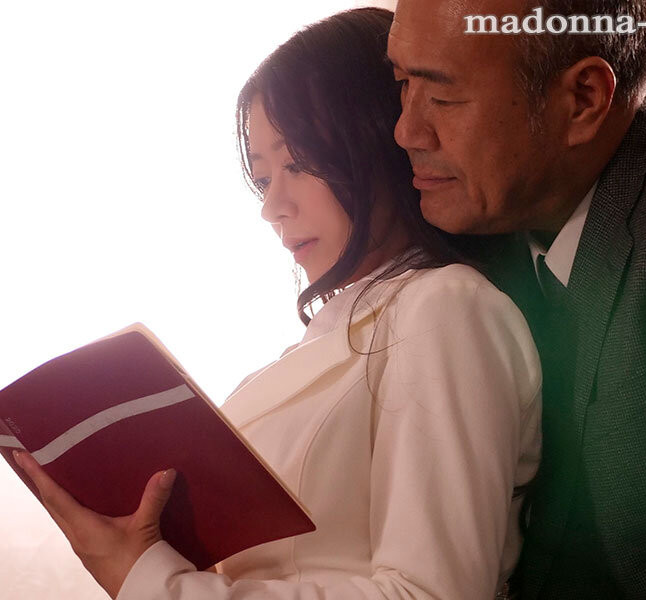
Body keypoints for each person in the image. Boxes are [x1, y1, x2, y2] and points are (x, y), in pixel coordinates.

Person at [11, 7, 542, 600]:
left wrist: (155, 585)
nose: (273, 207)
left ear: (381, 140)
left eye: (299, 163)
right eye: (264, 178)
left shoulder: (447, 308)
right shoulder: (331, 336)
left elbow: (432, 593)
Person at [387, 0, 646, 598]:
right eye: (402, 83)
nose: (406, 131)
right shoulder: (485, 219)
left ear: (583, 99)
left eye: (443, 97)